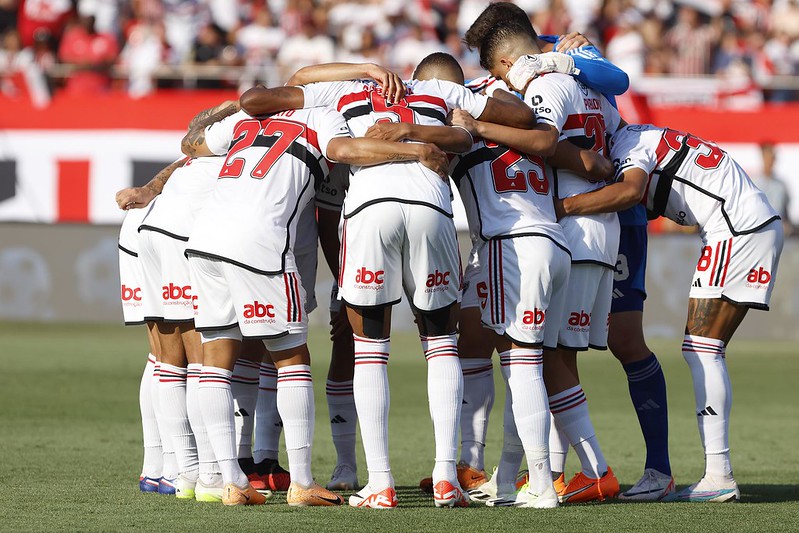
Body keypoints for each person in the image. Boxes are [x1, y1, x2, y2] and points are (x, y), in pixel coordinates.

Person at [239, 56, 536, 509]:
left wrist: (359, 72)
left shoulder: (345, 91)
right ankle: (446, 476)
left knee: (370, 349)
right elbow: (519, 117)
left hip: (370, 209)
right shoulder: (442, 92)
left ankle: (380, 482)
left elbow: (256, 100)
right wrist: (450, 126)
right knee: (441, 343)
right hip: (432, 207)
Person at [180, 100, 450, 506]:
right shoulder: (321, 115)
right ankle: (302, 482)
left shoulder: (244, 120)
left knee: (216, 359)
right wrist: (416, 149)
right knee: (292, 360)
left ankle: (230, 480)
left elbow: (192, 146)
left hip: (204, 241)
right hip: (261, 242)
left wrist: (220, 115)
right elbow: (344, 151)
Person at [462, 2, 673, 502]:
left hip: (571, 228)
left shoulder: (548, 84)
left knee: (538, 358)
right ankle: (526, 475)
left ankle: (590, 469)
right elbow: (613, 83)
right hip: (599, 232)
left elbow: (544, 138)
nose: (499, 80)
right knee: (548, 357)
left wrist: (483, 127)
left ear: (507, 60)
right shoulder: (591, 82)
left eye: (496, 70)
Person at [555, 124, 783, 503]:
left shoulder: (629, 144)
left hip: (734, 228)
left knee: (703, 351)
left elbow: (629, 190)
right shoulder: (644, 135)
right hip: (749, 223)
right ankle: (709, 473)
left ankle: (718, 475)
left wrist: (563, 206)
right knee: (704, 350)